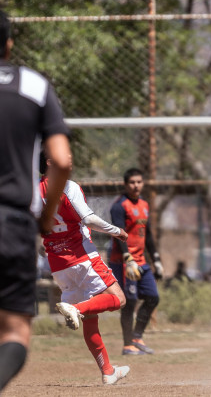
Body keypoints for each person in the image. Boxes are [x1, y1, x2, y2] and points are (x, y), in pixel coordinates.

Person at [0, 6, 72, 397]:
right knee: (12, 332)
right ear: (8, 46)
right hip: (9, 220)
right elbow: (61, 160)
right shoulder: (31, 85)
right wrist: (45, 218)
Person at [39, 154, 131, 385]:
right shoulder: (67, 186)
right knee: (118, 299)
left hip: (59, 264)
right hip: (82, 256)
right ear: (50, 162)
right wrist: (116, 230)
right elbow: (87, 219)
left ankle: (108, 371)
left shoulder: (33, 190)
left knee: (91, 318)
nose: (69, 155)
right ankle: (75, 309)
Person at [109, 168, 164, 356]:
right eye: (132, 182)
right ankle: (127, 345)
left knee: (152, 297)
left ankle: (137, 337)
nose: (136, 185)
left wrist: (156, 259)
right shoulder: (119, 206)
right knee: (129, 301)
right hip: (124, 261)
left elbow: (147, 234)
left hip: (141, 261)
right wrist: (127, 257)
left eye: (139, 182)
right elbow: (118, 233)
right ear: (126, 184)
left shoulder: (144, 204)